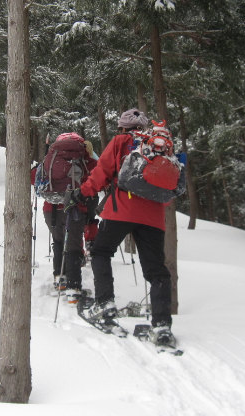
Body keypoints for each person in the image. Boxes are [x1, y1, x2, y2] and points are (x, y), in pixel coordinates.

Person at [65, 108, 175, 346]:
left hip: (121, 209)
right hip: (154, 215)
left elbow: (100, 174)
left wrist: (80, 194)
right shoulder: (159, 146)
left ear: (123, 127)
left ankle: (105, 304)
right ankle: (162, 325)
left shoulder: (120, 142)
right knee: (157, 270)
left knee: (101, 252)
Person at [32, 133, 98, 304]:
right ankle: (73, 288)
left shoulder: (50, 159)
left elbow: (34, 177)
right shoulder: (85, 159)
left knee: (59, 241)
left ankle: (59, 277)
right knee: (74, 246)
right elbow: (98, 175)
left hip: (51, 209)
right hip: (75, 207)